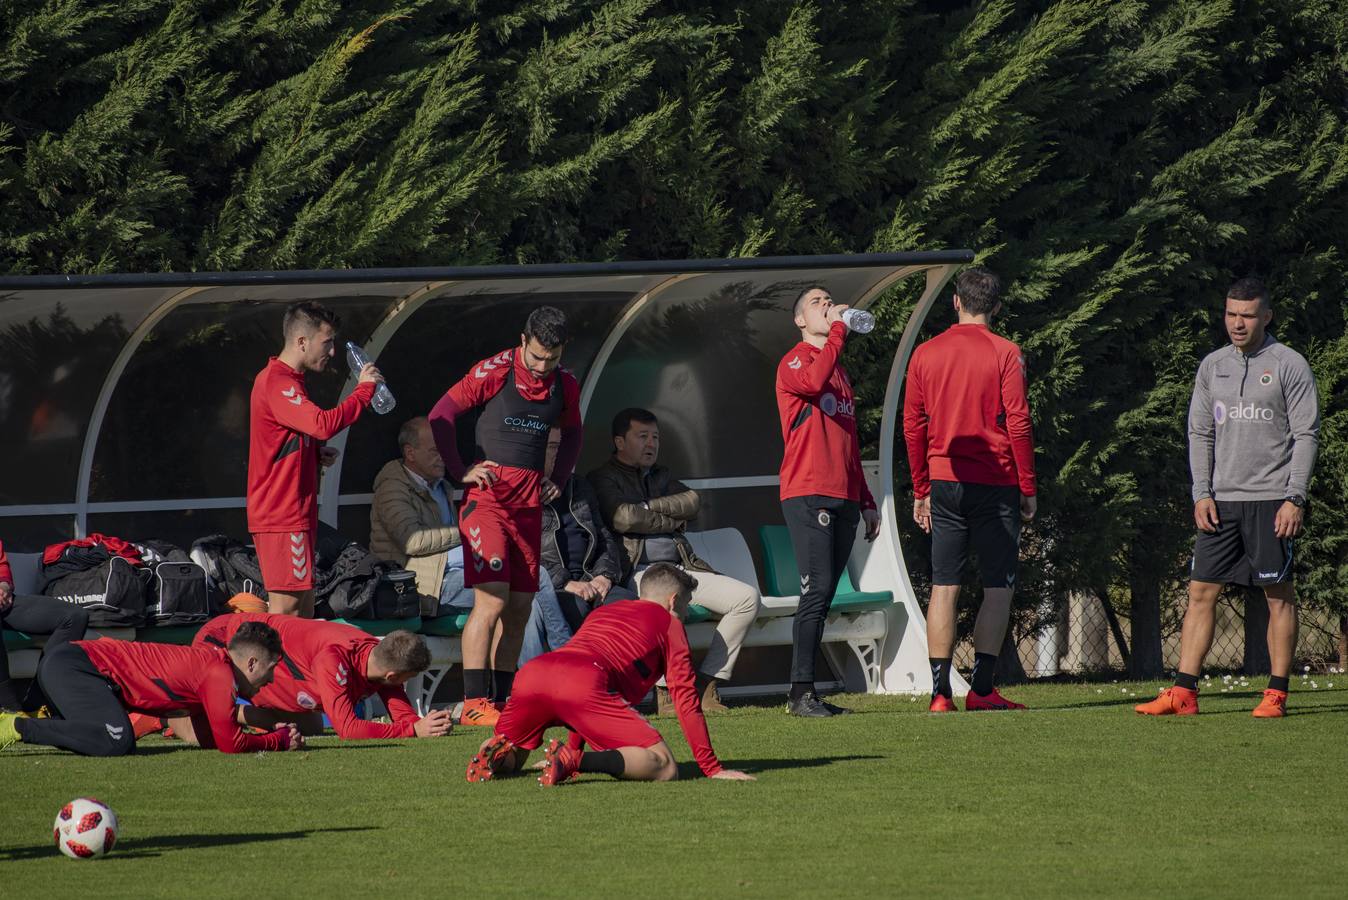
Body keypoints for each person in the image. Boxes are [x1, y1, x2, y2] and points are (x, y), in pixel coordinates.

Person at [1137, 277, 1319, 718]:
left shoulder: (1289, 364)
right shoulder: (1212, 366)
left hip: (1271, 500)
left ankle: (1276, 693)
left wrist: (1294, 497)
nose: (1237, 323)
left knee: (1278, 596)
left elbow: (1306, 434)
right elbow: (1199, 432)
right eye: (1231, 314)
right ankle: (1184, 692)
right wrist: (1202, 493)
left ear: (1266, 317)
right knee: (1201, 592)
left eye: (1247, 315)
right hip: (1221, 501)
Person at [429, 306, 583, 726]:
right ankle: (475, 702)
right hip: (488, 504)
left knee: (519, 606)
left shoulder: (565, 384)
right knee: (492, 598)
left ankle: (502, 700)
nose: (541, 367)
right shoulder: (496, 371)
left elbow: (573, 433)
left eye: (550, 359)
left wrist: (559, 476)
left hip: (529, 506)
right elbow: (440, 414)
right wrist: (460, 469)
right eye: (535, 357)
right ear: (522, 341)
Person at [464, 563, 755, 785]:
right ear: (673, 600)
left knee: (516, 758)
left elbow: (581, 711)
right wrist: (711, 767)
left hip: (534, 674)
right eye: (685, 606)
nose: (687, 615)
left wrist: (569, 747)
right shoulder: (670, 623)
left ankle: (495, 747)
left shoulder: (604, 612)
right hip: (581, 682)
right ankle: (578, 761)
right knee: (665, 766)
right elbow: (685, 699)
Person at [903, 266, 1036, 712]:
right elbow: (1018, 421)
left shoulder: (925, 353)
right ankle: (980, 689)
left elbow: (913, 426)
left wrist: (921, 486)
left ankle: (940, 693)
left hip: (944, 480)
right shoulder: (1006, 351)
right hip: (996, 481)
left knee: (944, 585)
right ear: (996, 307)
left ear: (956, 302)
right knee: (998, 586)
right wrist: (1027, 485)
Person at [589, 408, 760, 713]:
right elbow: (623, 518)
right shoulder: (602, 477)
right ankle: (666, 692)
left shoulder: (662, 475)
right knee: (664, 606)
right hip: (638, 571)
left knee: (745, 598)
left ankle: (705, 684)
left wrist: (646, 506)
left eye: (655, 437)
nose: (651, 443)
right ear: (619, 441)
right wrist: (670, 520)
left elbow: (692, 502)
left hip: (682, 567)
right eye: (642, 437)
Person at [775, 287, 882, 717]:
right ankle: (800, 693)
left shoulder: (839, 372)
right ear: (801, 320)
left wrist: (867, 498)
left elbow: (849, 443)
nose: (828, 305)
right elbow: (813, 381)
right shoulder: (796, 361)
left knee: (825, 594)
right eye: (818, 302)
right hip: (807, 491)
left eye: (830, 300)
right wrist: (839, 327)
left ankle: (809, 693)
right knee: (815, 591)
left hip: (845, 497)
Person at [248, 300, 383, 617]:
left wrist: (311, 454)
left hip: (295, 512)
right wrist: (364, 391)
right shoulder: (277, 381)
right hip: (281, 514)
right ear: (301, 341)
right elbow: (322, 423)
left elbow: (283, 439)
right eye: (327, 342)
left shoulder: (290, 381)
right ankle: (277, 668)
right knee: (288, 610)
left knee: (305, 606)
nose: (332, 351)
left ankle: (299, 667)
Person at [0, 622, 302, 756]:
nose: (272, 680)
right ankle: (17, 727)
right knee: (116, 742)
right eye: (271, 669)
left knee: (115, 740)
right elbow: (230, 745)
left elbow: (213, 738)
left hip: (70, 664)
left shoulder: (215, 670)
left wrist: (269, 734)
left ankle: (31, 724)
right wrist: (278, 741)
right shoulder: (219, 674)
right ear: (251, 663)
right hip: (75, 666)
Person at [167, 613, 452, 740]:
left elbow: (402, 715)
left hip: (266, 674)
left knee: (310, 728)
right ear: (393, 674)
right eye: (405, 680)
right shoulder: (334, 657)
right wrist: (411, 730)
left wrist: (426, 725)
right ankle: (162, 714)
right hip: (223, 642)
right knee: (199, 738)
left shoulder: (378, 660)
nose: (402, 687)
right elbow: (349, 730)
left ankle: (228, 711)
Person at [518, 429, 636, 666]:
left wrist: (604, 576)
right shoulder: (520, 494)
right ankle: (582, 685)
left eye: (561, 447)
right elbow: (520, 553)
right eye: (552, 448)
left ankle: (617, 688)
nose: (559, 454)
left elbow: (603, 536)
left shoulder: (578, 487)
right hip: (551, 589)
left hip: (591, 579)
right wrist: (564, 582)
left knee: (628, 607)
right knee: (577, 608)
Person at [370, 416, 468, 614]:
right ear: (410, 453)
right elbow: (412, 541)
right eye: (434, 451)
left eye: (445, 450)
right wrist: (467, 533)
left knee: (524, 588)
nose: (443, 456)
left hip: (446, 576)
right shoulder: (392, 488)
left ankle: (547, 645)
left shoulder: (442, 487)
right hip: (416, 588)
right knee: (505, 592)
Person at [0, 538, 89, 712]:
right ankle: (8, 707)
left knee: (74, 617)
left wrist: (4, 586)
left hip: (4, 605)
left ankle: (37, 700)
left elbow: (1, 565)